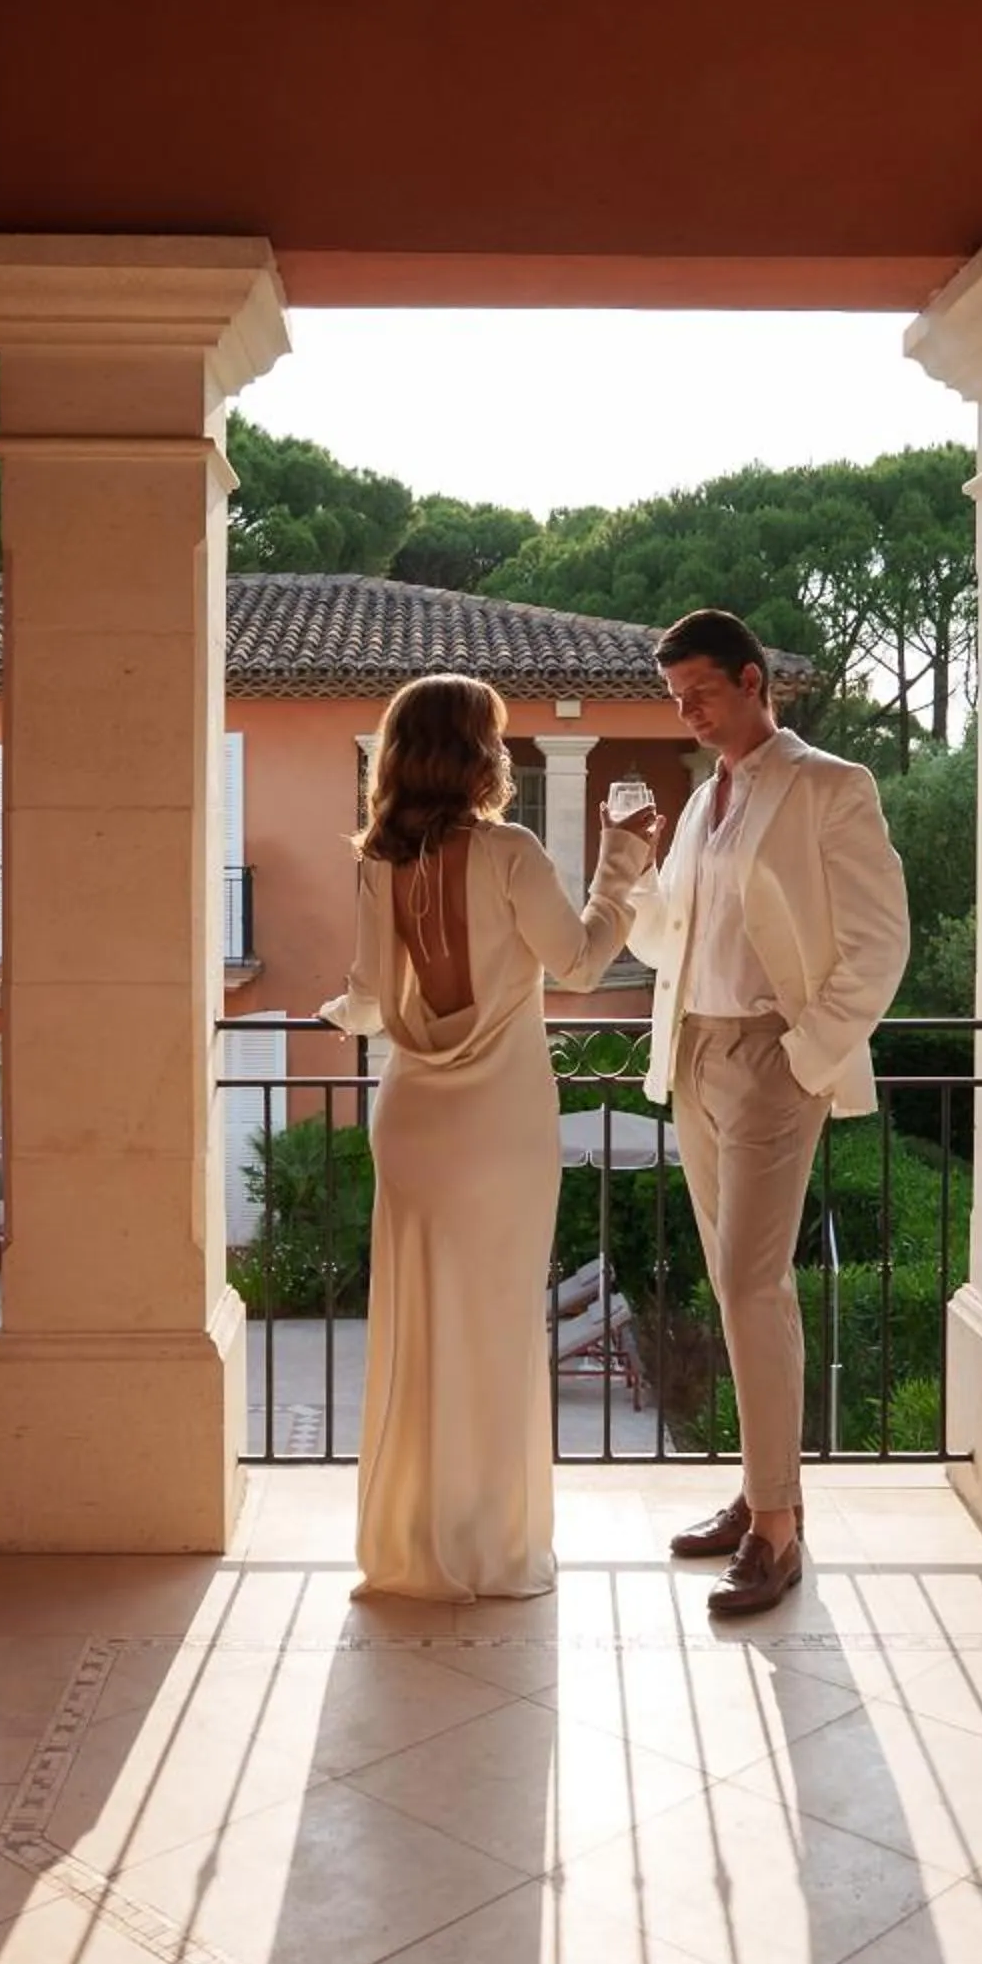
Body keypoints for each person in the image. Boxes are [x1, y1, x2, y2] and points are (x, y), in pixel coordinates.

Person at [322, 675, 659, 1601]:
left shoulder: (378, 863)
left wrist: (334, 1012)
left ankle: (411, 1540)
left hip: (413, 1122)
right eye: (497, 740)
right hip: (502, 1123)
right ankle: (488, 1542)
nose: (504, 755)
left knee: (418, 1327)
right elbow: (580, 966)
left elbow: (365, 999)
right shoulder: (510, 851)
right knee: (499, 1327)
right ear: (475, 753)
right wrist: (621, 862)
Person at [629, 610, 910, 1618]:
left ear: (753, 681)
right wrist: (633, 875)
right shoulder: (703, 803)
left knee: (750, 1283)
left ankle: (777, 1533)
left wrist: (803, 1056)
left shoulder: (831, 785)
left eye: (701, 693)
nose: (689, 714)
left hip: (770, 1058)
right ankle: (760, 1495)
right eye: (677, 700)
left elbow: (881, 940)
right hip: (694, 1053)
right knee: (742, 1286)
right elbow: (665, 942)